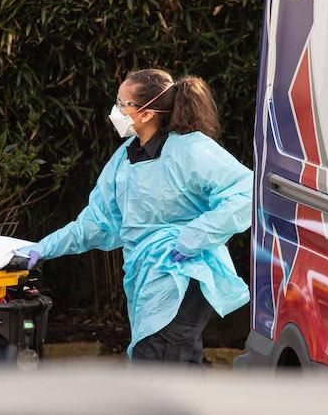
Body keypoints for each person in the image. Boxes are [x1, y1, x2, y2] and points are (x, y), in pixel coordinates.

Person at [24, 69, 252, 362]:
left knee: (156, 363)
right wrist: (42, 248)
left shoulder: (191, 150)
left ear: (146, 113)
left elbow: (246, 192)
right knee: (174, 365)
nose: (116, 111)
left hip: (182, 275)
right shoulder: (125, 159)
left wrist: (192, 239)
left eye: (122, 104)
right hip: (146, 275)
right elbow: (97, 221)